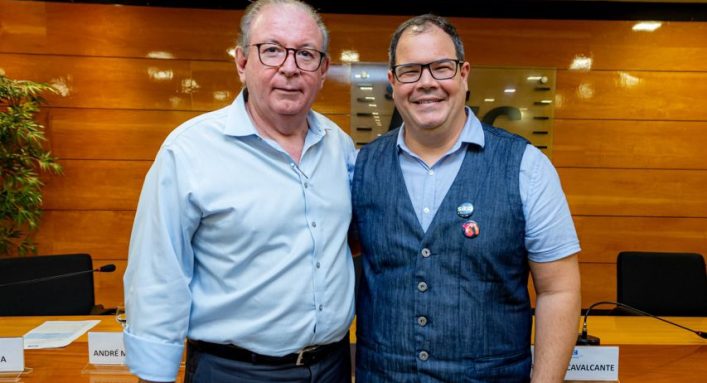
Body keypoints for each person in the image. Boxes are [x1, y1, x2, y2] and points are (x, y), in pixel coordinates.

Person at [123, 1, 356, 382]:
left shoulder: (339, 145)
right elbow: (158, 272)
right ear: (242, 62)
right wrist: (154, 375)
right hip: (233, 370)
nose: (290, 67)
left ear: (323, 70)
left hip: (331, 366)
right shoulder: (189, 151)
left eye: (306, 54)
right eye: (272, 50)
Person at [352, 14, 581, 382]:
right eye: (410, 71)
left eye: (441, 67)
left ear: (464, 73)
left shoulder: (527, 166)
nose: (426, 83)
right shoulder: (363, 165)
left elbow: (559, 289)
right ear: (393, 82)